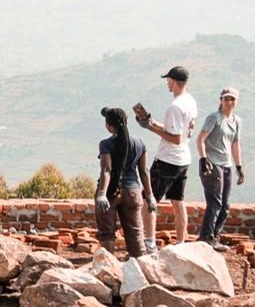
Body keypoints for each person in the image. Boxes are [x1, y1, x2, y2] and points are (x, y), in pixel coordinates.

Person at [134, 65, 197, 249]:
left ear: (174, 82)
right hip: (184, 159)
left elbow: (175, 138)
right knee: (178, 201)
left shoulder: (174, 107)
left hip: (168, 159)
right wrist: (152, 122)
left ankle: (150, 242)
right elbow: (179, 131)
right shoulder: (190, 101)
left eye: (168, 80)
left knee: (149, 199)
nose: (167, 83)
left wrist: (150, 128)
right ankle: (181, 243)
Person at [94, 106, 152, 257]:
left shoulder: (106, 144)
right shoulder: (139, 143)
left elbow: (106, 170)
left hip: (110, 192)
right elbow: (144, 172)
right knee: (135, 234)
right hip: (133, 192)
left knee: (107, 234)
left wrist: (101, 194)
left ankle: (107, 268)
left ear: (109, 126)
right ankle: (140, 268)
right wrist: (150, 196)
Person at [196, 87, 243, 250]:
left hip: (226, 164)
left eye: (232, 99)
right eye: (226, 99)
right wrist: (203, 159)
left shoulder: (236, 120)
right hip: (212, 163)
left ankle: (215, 236)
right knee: (215, 202)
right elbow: (201, 139)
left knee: (224, 204)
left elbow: (235, 144)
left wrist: (239, 166)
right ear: (221, 100)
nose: (229, 102)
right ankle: (205, 238)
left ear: (237, 101)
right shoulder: (214, 118)